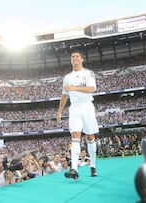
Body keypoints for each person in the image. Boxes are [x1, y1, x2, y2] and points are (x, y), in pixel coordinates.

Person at [57, 50, 99, 180]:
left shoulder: (88, 73)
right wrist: (59, 112)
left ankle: (93, 164)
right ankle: (74, 168)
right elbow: (64, 95)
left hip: (87, 106)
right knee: (75, 135)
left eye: (77, 56)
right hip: (74, 107)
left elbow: (92, 89)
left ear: (82, 59)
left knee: (90, 136)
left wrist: (74, 88)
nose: (74, 58)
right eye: (72, 57)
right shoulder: (67, 78)